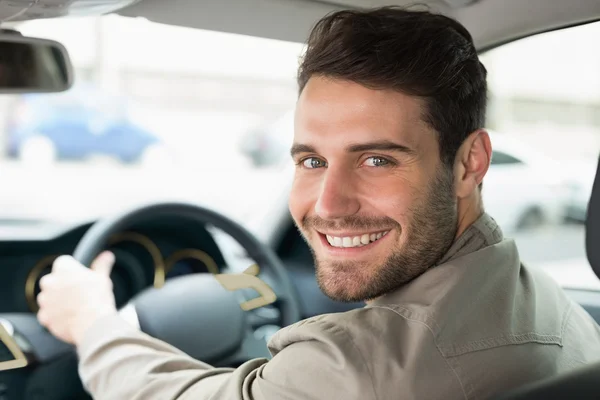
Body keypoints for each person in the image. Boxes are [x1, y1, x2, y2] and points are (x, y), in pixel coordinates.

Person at [36, 6, 600, 400]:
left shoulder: (365, 368)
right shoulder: (545, 302)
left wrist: (94, 326)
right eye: (311, 161)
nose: (328, 203)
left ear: (469, 163)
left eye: (377, 160)